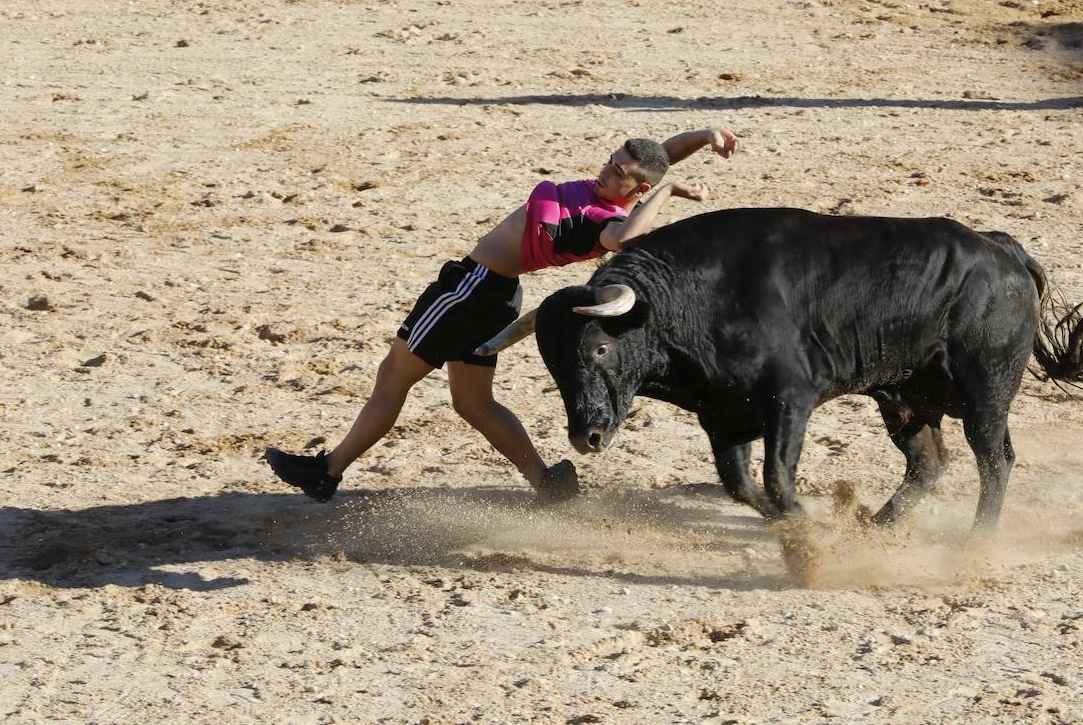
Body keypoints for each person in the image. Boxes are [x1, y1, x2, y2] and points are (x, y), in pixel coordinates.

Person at [264, 127, 740, 503]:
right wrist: (704, 135)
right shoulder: (613, 193)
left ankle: (327, 472)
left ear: (639, 191)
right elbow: (657, 156)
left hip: (470, 290)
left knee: (393, 378)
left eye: (621, 175)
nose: (607, 173)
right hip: (497, 295)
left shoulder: (607, 219)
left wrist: (670, 191)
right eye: (611, 161)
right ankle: (546, 483)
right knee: (473, 404)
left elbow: (624, 236)